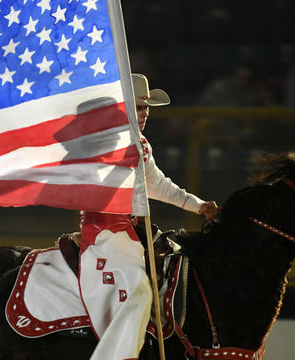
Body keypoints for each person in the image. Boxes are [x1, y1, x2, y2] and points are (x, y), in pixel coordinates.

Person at [77, 74, 218, 360]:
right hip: (103, 230)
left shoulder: (140, 143)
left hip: (129, 229)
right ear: (122, 107)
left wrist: (199, 206)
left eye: (146, 108)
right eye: (138, 107)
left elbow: (158, 185)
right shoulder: (102, 141)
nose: (145, 113)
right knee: (139, 289)